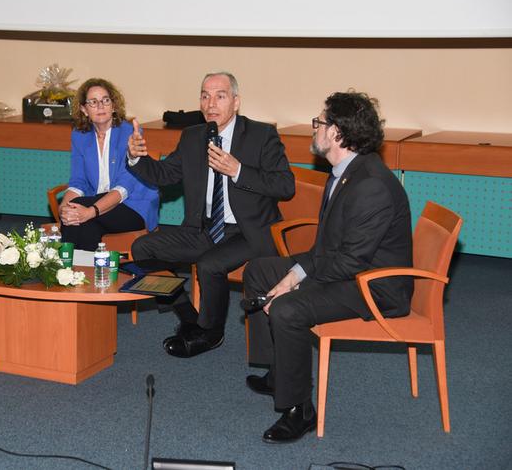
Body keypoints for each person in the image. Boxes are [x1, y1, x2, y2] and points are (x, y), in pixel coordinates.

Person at [242, 91, 414, 443]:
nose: (315, 128)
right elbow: (328, 247)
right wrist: (293, 274)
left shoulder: (371, 186)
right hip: (351, 269)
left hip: (375, 287)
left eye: (319, 123)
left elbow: (351, 260)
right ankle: (278, 368)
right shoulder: (346, 171)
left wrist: (297, 281)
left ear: (336, 133)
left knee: (288, 308)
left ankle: (299, 409)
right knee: (259, 271)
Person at [127, 72, 295, 358]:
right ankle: (188, 317)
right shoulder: (193, 136)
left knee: (208, 265)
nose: (210, 103)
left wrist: (238, 170)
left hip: (250, 231)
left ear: (236, 102)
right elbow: (166, 174)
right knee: (142, 247)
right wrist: (137, 157)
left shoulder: (261, 135)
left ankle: (211, 333)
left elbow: (285, 185)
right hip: (204, 229)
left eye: (220, 96)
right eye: (205, 96)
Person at [58, 78, 159, 251]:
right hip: (96, 206)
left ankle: (64, 269)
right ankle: (82, 274)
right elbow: (78, 181)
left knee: (82, 212)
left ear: (113, 106)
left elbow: (124, 187)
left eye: (105, 100)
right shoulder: (80, 135)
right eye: (93, 102)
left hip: (133, 205)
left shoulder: (129, 133)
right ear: (84, 109)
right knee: (86, 225)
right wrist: (64, 208)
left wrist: (90, 211)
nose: (100, 106)